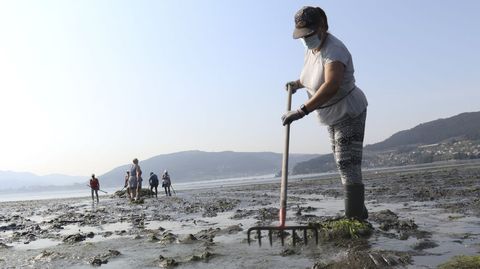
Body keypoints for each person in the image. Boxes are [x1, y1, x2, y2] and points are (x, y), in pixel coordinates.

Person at [282, 6, 368, 220]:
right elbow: (311, 76)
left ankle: (355, 218)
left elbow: (331, 85)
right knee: (342, 162)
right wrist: (297, 83)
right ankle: (357, 212)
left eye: (308, 34)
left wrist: (301, 111)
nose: (305, 39)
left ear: (322, 27)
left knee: (347, 163)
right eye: (302, 35)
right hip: (330, 115)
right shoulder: (311, 50)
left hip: (348, 110)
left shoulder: (334, 50)